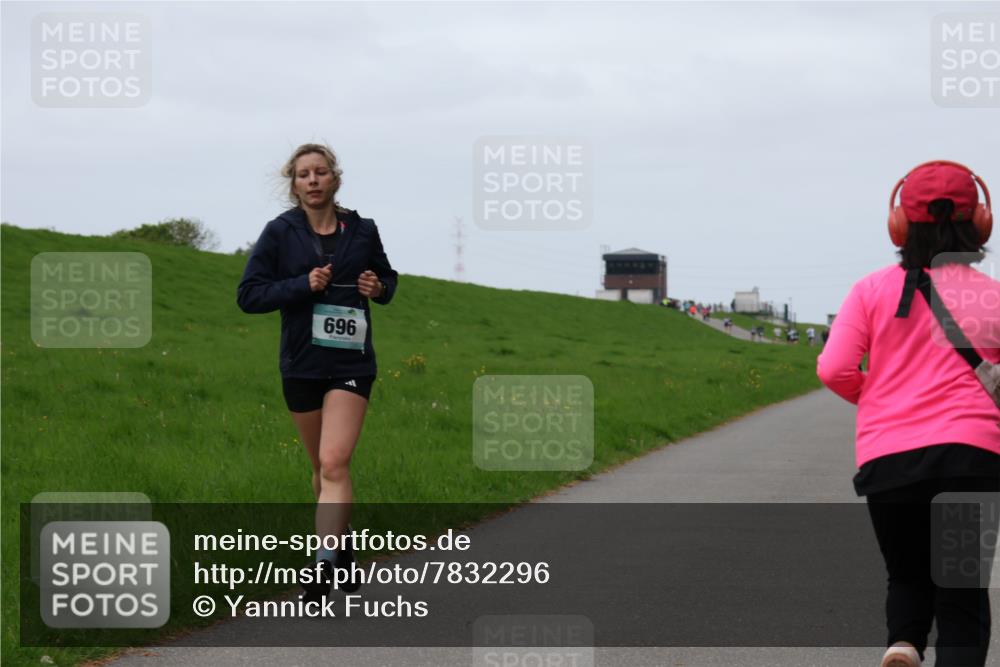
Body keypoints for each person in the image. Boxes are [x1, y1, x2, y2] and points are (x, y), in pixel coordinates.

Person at [817, 161, 999, 667]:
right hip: (971, 459)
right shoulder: (995, 297)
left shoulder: (870, 289)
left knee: (907, 573)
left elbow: (834, 368)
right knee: (961, 594)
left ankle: (904, 645)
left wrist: (877, 398)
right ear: (980, 222)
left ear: (898, 223)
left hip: (890, 460)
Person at [237, 142, 398, 603]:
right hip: (302, 362)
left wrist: (379, 287)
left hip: (350, 363)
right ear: (294, 184)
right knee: (319, 469)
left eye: (320, 172)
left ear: (335, 179)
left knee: (334, 462)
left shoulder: (362, 230)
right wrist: (301, 285)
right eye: (303, 174)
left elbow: (387, 279)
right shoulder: (280, 233)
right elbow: (249, 295)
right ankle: (342, 546)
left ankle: (321, 565)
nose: (312, 180)